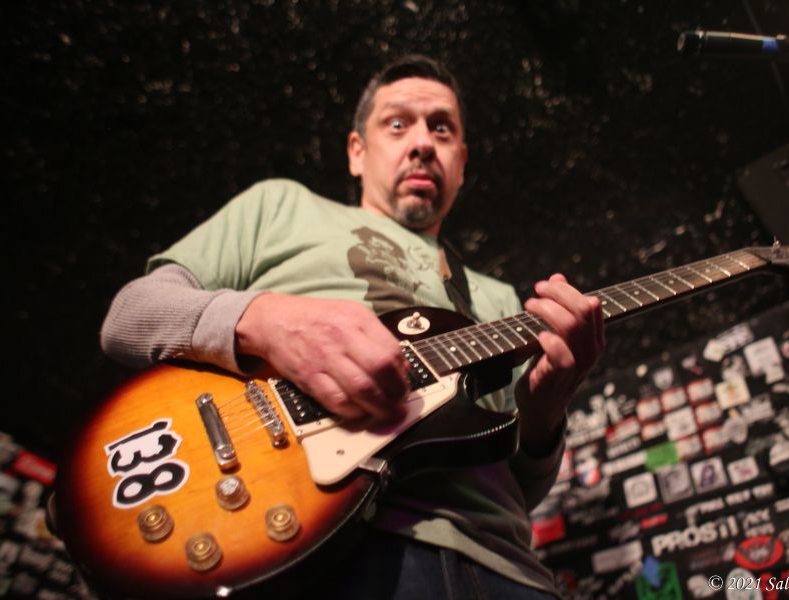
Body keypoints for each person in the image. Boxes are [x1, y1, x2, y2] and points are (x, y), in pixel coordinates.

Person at [101, 54, 605, 599]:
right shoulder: (280, 206)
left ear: (461, 162)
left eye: (442, 129)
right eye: (397, 123)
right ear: (356, 152)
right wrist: (263, 320)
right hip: (323, 548)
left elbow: (520, 490)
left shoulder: (502, 299)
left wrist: (546, 406)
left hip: (509, 570)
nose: (422, 143)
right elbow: (131, 314)